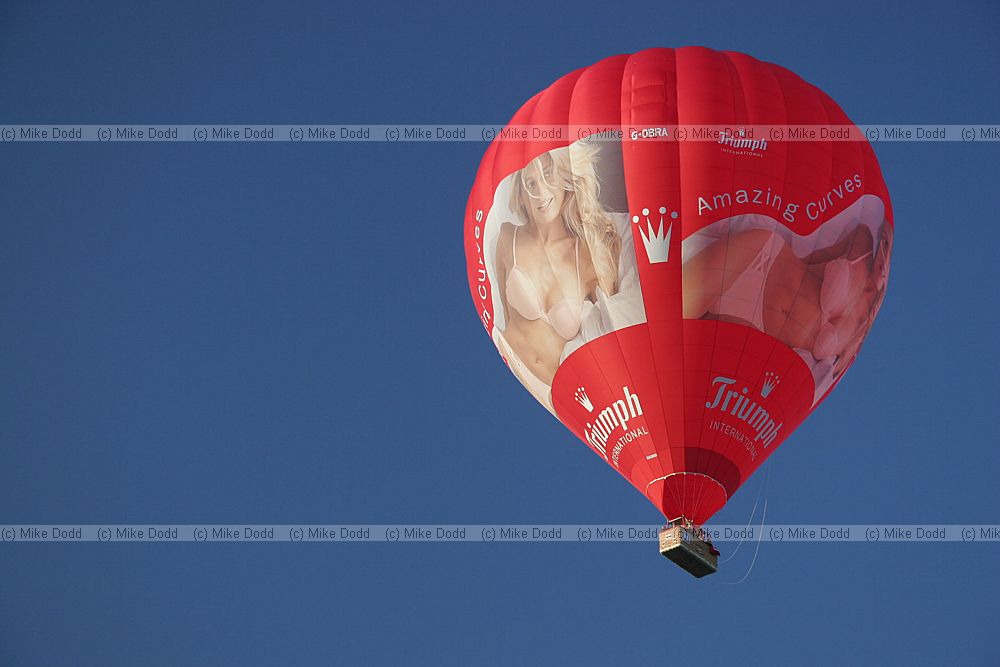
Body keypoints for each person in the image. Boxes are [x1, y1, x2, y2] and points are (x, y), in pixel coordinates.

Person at [492, 142, 641, 413]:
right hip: (512, 370)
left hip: (558, 391)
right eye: (530, 183)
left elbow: (610, 329)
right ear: (521, 194)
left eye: (548, 175)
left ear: (565, 179)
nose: (541, 193)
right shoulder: (508, 237)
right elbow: (502, 312)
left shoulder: (585, 254)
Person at [682, 211, 891, 403]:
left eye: (888, 245)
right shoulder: (862, 246)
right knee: (665, 328)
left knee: (692, 392)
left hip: (753, 333)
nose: (885, 247)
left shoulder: (862, 326)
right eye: (885, 242)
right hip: (761, 259)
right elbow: (809, 261)